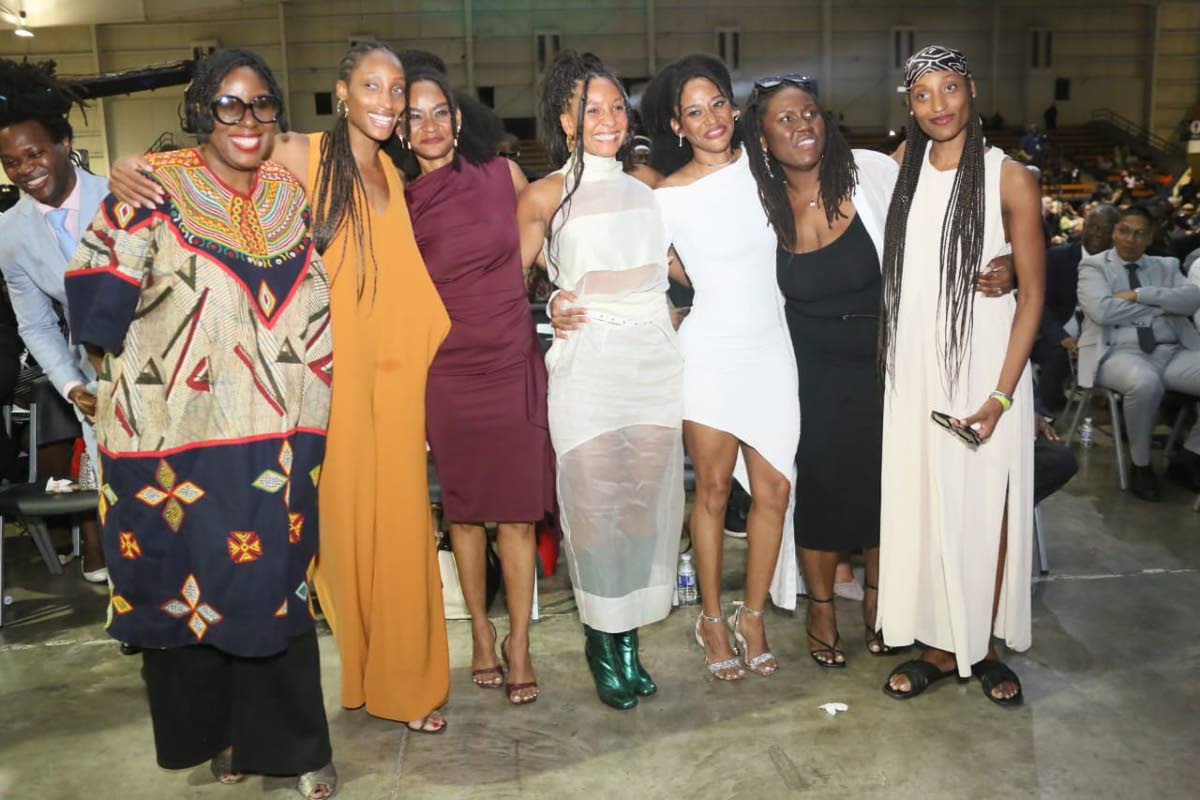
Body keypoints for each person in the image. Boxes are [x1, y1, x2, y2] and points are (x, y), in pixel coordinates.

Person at [110, 40, 451, 733]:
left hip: (396, 389)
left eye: (396, 91)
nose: (387, 103)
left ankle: (406, 685)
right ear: (342, 93)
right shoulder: (303, 153)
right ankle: (353, 678)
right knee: (330, 542)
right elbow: (220, 153)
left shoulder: (394, 170)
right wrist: (131, 170)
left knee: (404, 533)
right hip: (323, 390)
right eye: (372, 87)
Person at [64, 49, 337, 798]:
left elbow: (313, 303)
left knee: (271, 585)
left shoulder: (289, 194)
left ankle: (290, 747)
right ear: (199, 114)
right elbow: (95, 308)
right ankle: (221, 738)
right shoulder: (151, 191)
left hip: (280, 435)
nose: (246, 121)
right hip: (174, 436)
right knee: (186, 583)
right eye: (228, 105)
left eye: (261, 105)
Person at [516, 50, 684, 710]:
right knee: (592, 506)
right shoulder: (545, 194)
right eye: (592, 109)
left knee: (641, 503)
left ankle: (628, 640)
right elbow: (508, 281)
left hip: (651, 362)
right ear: (566, 120)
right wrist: (550, 298)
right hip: (587, 368)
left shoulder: (649, 191)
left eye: (617, 106)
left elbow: (683, 270)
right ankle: (600, 639)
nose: (608, 118)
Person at [877, 46, 1044, 706]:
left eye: (950, 88)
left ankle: (984, 642)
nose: (939, 104)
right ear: (908, 106)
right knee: (925, 498)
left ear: (972, 89)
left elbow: (1032, 295)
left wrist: (1002, 395)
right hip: (916, 364)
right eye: (923, 94)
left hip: (986, 366)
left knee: (986, 501)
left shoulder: (1009, 177)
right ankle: (940, 645)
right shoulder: (900, 173)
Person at [400, 68, 553, 705]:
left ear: (459, 120)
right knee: (463, 514)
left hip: (512, 356)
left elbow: (540, 254)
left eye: (440, 113)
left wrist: (571, 290)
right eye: (415, 117)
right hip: (447, 369)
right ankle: (480, 633)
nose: (430, 126)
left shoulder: (503, 177)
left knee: (515, 516)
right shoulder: (398, 201)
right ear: (401, 132)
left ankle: (518, 641)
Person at [644, 54, 798, 681]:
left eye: (716, 105)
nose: (708, 119)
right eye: (692, 112)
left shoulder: (770, 171)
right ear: (678, 127)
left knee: (775, 491)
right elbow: (650, 271)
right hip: (709, 353)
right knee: (709, 490)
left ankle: (752, 613)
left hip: (773, 347)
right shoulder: (666, 195)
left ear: (734, 110)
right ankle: (711, 617)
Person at [0, 58, 107, 582]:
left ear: (64, 143)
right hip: (93, 384)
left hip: (170, 374)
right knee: (120, 498)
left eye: (34, 152)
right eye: (11, 162)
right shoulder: (10, 233)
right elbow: (36, 325)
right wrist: (70, 387)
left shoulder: (125, 200)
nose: (25, 170)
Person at [1077, 205, 1200, 500]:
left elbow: (1192, 300)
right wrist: (1163, 305)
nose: (1130, 239)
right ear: (1114, 233)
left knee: (1153, 378)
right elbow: (1102, 311)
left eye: (1139, 233)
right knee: (1144, 384)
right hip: (1116, 353)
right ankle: (1140, 464)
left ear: (1150, 237)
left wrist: (1140, 294)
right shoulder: (1094, 266)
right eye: (1124, 231)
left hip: (1171, 351)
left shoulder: (1167, 266)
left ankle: (1190, 455)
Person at [1034, 204, 1119, 412]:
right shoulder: (1055, 257)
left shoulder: (1119, 265)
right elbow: (1040, 304)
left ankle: (1123, 423)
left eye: (1106, 229)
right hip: (1055, 335)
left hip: (1100, 338)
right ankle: (1044, 416)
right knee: (1057, 355)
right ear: (1084, 227)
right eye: (1094, 227)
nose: (1098, 234)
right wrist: (1062, 337)